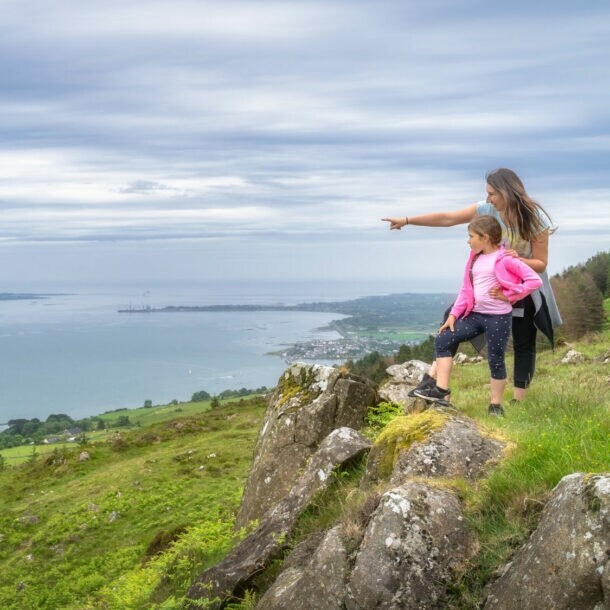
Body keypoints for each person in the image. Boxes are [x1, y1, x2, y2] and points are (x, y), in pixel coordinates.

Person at [382, 168, 562, 402]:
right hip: (486, 287)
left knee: (523, 340)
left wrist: (514, 260)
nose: (488, 199)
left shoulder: (535, 218)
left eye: (492, 194)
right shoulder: (487, 210)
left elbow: (541, 264)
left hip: (521, 289)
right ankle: (433, 382)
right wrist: (407, 220)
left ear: (507, 192)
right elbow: (448, 218)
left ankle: (519, 401)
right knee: (452, 318)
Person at [412, 215, 542, 415]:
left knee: (495, 358)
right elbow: (466, 290)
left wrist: (509, 295)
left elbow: (534, 281)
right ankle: (441, 391)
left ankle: (495, 405)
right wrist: (454, 314)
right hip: (475, 315)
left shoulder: (506, 259)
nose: (468, 240)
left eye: (471, 236)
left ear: (486, 237)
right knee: (444, 339)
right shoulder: (474, 258)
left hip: (498, 317)